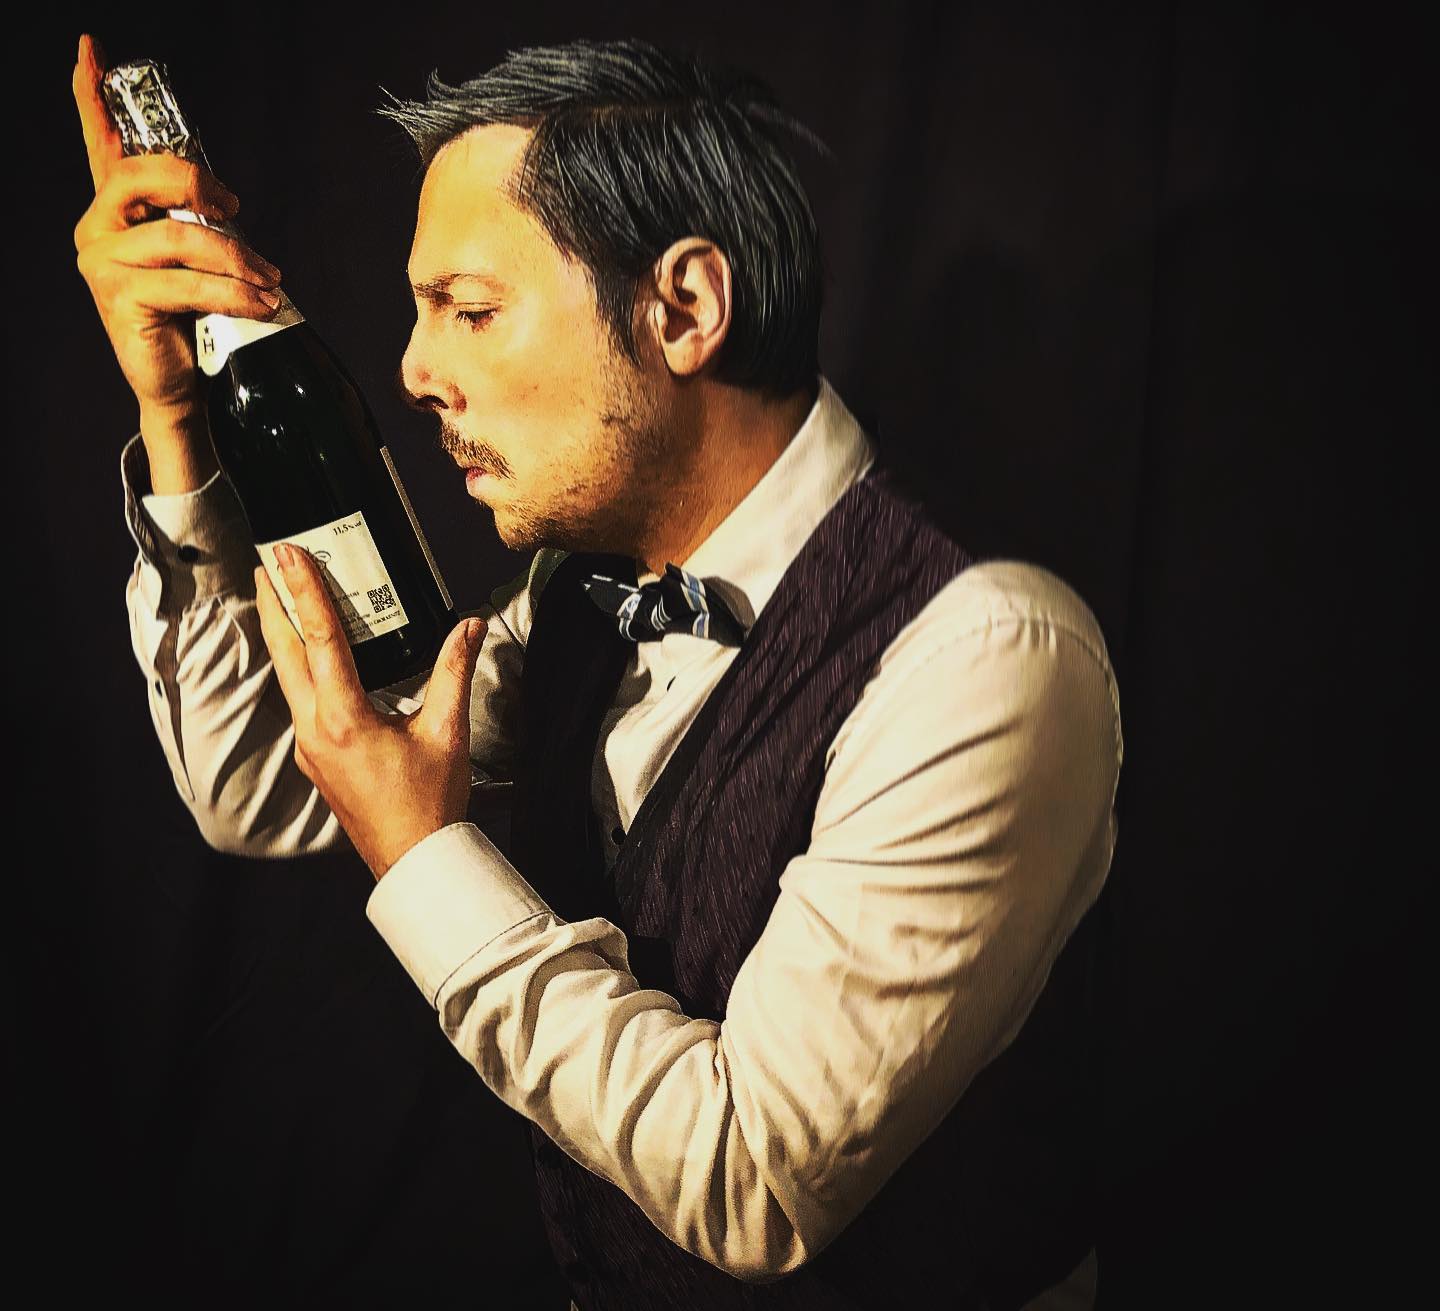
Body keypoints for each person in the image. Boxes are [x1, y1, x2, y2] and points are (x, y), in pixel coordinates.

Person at [74, 31, 1122, 1311]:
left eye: (468, 310)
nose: (413, 371)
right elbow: (264, 785)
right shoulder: (574, 596)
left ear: (682, 309)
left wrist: (424, 860)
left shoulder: (985, 659)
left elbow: (755, 1181)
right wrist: (176, 421)